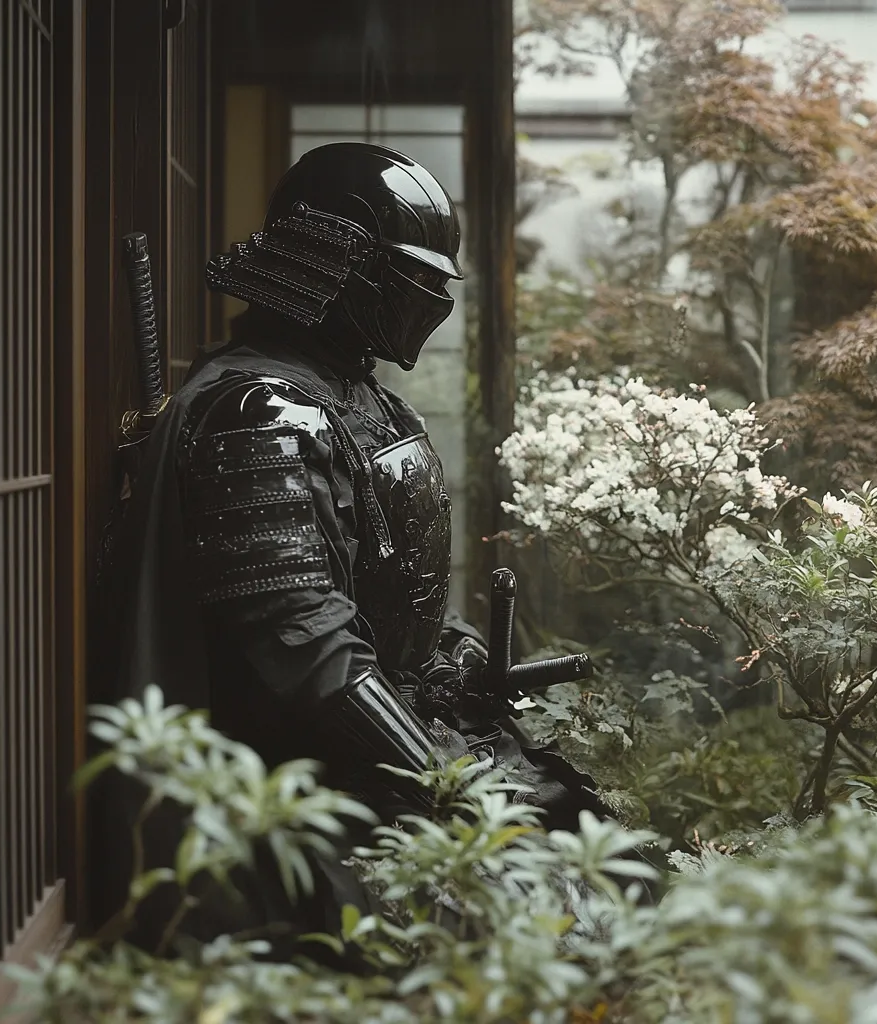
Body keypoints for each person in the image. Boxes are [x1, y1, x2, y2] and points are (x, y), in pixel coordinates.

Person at [91, 142, 619, 956]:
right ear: (338, 261)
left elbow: (386, 597)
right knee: (558, 916)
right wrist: (449, 785)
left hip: (384, 737)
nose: (432, 299)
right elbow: (310, 652)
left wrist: (452, 654)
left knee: (592, 840)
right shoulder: (260, 413)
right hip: (297, 782)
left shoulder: (354, 393)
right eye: (413, 276)